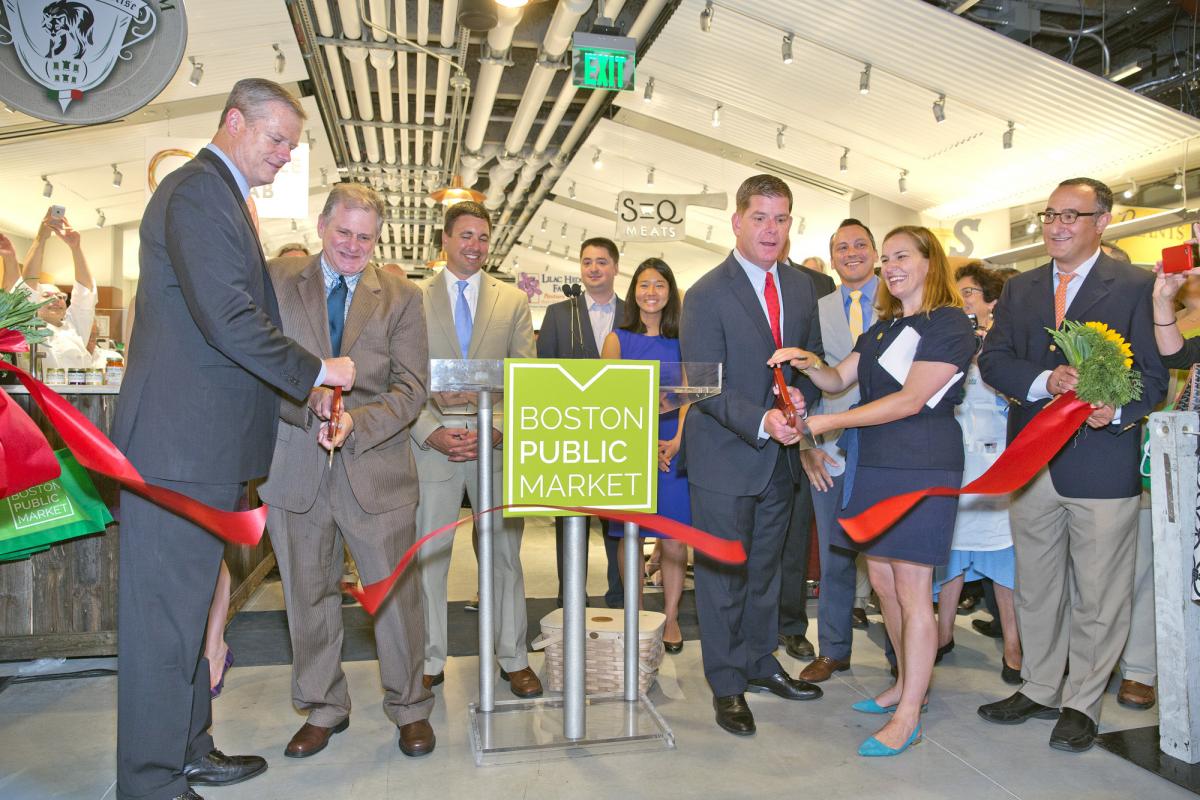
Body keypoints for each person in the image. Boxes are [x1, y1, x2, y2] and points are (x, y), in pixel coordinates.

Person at [110, 78, 356, 800]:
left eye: (292, 144)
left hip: (202, 452)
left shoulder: (221, 199)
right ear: (233, 122)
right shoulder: (196, 193)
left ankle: (187, 749)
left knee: (186, 617)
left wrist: (305, 396)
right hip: (176, 452)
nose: (285, 154)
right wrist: (319, 371)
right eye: (276, 138)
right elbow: (229, 320)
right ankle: (150, 783)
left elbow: (226, 333)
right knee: (163, 627)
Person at [977, 177, 1166, 754]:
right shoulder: (1021, 289)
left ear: (1102, 221)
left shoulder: (1135, 287)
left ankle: (1081, 702)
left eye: (1071, 216)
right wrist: (1044, 380)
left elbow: (1154, 379)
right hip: (1031, 463)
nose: (1056, 227)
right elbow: (994, 360)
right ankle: (1038, 686)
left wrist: (1119, 408)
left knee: (1100, 593)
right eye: (1049, 215)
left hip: (1102, 466)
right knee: (1035, 586)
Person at [772, 225, 976, 757]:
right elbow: (837, 381)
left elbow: (910, 400)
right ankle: (906, 686)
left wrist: (819, 428)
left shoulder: (949, 324)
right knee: (884, 583)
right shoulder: (884, 328)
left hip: (922, 464)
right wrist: (806, 362)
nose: (889, 266)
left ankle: (910, 711)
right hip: (879, 463)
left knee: (913, 593)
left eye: (901, 256)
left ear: (930, 262)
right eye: (886, 259)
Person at [258, 183, 434, 759]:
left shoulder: (401, 296)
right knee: (307, 595)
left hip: (376, 469)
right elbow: (258, 370)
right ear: (321, 226)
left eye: (365, 237)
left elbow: (412, 388)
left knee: (394, 596)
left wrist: (357, 421)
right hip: (295, 466)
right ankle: (323, 706)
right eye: (344, 233)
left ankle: (409, 705)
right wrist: (303, 401)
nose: (354, 246)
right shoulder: (278, 281)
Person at [679, 173, 824, 738]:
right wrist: (760, 420)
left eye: (781, 218)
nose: (771, 229)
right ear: (736, 220)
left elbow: (804, 362)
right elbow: (702, 383)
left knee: (768, 574)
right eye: (760, 217)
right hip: (726, 457)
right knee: (722, 577)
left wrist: (803, 398)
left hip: (782, 460)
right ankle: (727, 684)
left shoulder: (806, 287)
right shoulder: (706, 293)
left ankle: (761, 664)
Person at [412, 200, 542, 698]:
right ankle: (427, 659)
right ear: (443, 240)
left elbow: (524, 375)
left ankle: (514, 658)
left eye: (483, 238)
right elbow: (402, 376)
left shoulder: (511, 301)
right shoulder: (411, 299)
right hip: (433, 445)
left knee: (505, 556)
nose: (475, 246)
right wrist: (427, 428)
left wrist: (500, 426)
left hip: (495, 445)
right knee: (429, 555)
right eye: (466, 235)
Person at [796, 218, 882, 684]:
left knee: (894, 556)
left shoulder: (900, 300)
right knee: (834, 554)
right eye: (842, 247)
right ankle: (833, 649)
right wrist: (807, 446)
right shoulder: (820, 308)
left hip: (891, 446)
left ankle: (903, 653)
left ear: (875, 252)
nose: (852, 253)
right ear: (832, 258)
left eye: (860, 245)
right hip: (830, 446)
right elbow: (803, 382)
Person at [933, 261, 1022, 685]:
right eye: (958, 293)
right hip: (953, 460)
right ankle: (942, 633)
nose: (963, 300)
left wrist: (988, 356)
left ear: (991, 301)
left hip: (996, 464)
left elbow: (1019, 398)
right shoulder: (948, 340)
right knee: (950, 549)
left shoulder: (1008, 345)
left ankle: (1013, 645)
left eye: (969, 292)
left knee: (1002, 553)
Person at [600, 257, 690, 652]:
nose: (651, 292)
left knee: (673, 539)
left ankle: (670, 616)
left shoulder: (685, 339)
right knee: (630, 536)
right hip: (629, 447)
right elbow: (608, 400)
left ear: (670, 293)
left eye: (659, 285)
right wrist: (639, 445)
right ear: (633, 291)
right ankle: (634, 614)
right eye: (643, 284)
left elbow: (691, 397)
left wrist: (677, 442)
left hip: (673, 448)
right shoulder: (617, 339)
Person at [536, 236, 625, 608]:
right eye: (587, 261)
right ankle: (569, 603)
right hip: (571, 439)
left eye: (601, 261)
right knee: (569, 528)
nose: (593, 268)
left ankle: (622, 600)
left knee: (618, 527)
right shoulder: (559, 314)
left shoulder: (635, 313)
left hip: (622, 436)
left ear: (616, 267)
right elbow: (543, 376)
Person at [777, 236, 836, 661]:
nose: (770, 231)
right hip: (749, 427)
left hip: (803, 424)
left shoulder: (815, 284)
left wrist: (804, 433)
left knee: (796, 535)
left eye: (778, 221)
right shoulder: (729, 287)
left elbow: (817, 358)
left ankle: (792, 625)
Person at [20, 209, 97, 370]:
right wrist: (42, 237)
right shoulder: (28, 325)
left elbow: (85, 294)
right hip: (41, 394)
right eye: (47, 295)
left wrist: (76, 248)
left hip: (77, 394)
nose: (56, 299)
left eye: (61, 296)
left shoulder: (74, 326)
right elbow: (28, 285)